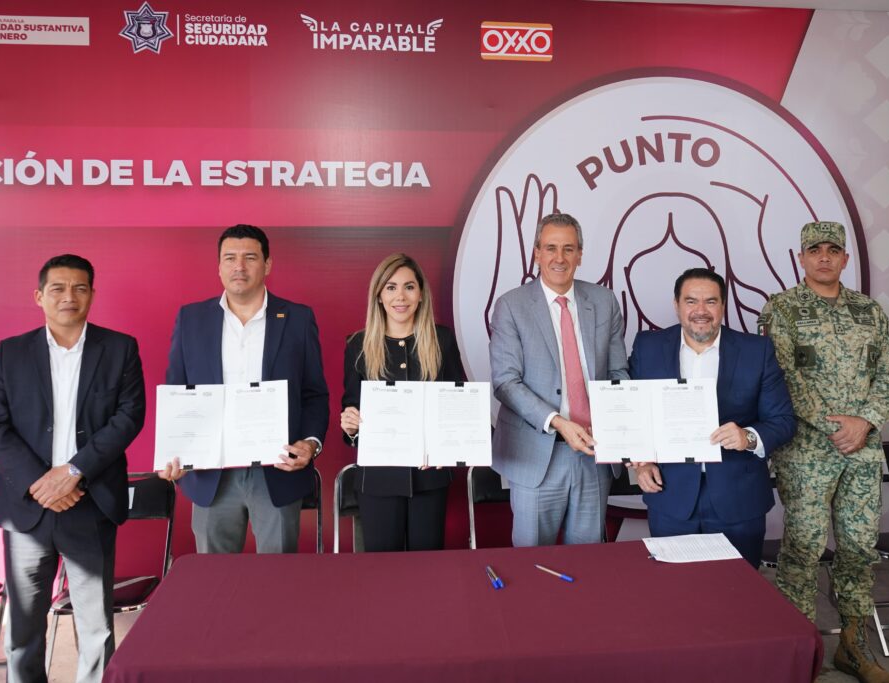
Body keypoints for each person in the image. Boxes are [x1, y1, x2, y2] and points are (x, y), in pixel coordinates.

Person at [758, 221, 889, 683]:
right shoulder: (781, 309)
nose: (824, 257)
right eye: (815, 250)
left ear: (845, 258)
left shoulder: (869, 311)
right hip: (806, 453)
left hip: (862, 451)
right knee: (803, 550)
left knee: (859, 549)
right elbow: (783, 378)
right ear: (801, 258)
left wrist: (866, 422)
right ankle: (801, 653)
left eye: (832, 250)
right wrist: (834, 426)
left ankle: (853, 648)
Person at [0, 254, 145, 683]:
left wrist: (73, 472)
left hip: (89, 502)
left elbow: (129, 417)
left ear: (92, 295)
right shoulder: (10, 353)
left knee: (96, 629)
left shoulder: (120, 349)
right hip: (28, 505)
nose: (68, 296)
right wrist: (42, 483)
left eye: (79, 288)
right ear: (39, 296)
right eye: (57, 288)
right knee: (23, 630)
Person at [159, 224, 329, 553]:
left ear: (267, 265)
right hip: (210, 472)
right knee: (216, 577)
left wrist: (310, 443)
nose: (239, 266)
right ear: (219, 266)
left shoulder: (297, 318)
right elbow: (177, 392)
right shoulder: (191, 319)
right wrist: (174, 450)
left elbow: (314, 393)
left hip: (277, 471)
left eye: (250, 257)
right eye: (230, 258)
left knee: (278, 575)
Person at [629, 268, 795, 568]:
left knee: (738, 590)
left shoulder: (756, 351)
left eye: (711, 301)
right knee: (675, 589)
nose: (701, 311)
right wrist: (642, 461)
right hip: (670, 494)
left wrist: (748, 437)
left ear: (723, 305)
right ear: (677, 305)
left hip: (739, 498)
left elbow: (783, 421)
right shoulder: (648, 346)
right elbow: (633, 413)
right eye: (691, 301)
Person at [489, 211, 629, 547]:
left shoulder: (604, 301)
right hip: (537, 454)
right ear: (536, 253)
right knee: (532, 562)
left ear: (580, 255)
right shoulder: (511, 306)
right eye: (550, 248)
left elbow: (618, 374)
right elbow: (506, 382)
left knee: (588, 561)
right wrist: (559, 422)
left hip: (594, 454)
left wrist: (618, 425)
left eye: (568, 249)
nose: (559, 258)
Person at [340, 253, 465, 552]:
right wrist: (351, 426)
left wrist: (446, 446)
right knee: (383, 569)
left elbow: (458, 405)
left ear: (421, 295)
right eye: (391, 287)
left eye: (409, 287)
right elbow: (351, 408)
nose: (400, 296)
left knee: (428, 566)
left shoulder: (442, 340)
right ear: (379, 296)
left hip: (429, 478)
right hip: (377, 480)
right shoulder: (358, 345)